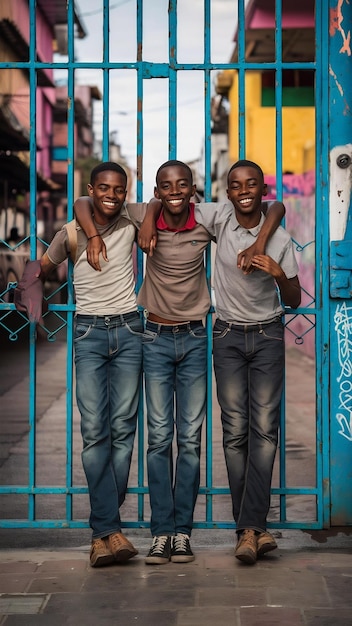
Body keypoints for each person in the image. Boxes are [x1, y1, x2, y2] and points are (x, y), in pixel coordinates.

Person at [74, 160, 286, 565]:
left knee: (189, 439)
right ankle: (161, 532)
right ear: (156, 190)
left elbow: (273, 207)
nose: (175, 191)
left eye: (182, 185)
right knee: (158, 438)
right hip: (152, 337)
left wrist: (259, 246)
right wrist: (146, 217)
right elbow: (86, 200)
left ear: (193, 189)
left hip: (193, 339)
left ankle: (183, 533)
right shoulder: (138, 214)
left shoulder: (209, 219)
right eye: (165, 186)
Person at [15, 162, 143, 568]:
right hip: (88, 334)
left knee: (123, 427)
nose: (112, 195)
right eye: (103, 188)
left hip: (129, 331)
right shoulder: (70, 232)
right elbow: (42, 266)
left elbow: (158, 205)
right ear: (92, 189)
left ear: (126, 192)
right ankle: (108, 529)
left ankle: (105, 527)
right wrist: (30, 284)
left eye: (119, 189)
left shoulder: (132, 222)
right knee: (94, 431)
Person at [195, 160, 301, 565]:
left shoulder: (280, 239)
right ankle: (251, 527)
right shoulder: (220, 219)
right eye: (236, 184)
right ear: (227, 191)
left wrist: (276, 272)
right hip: (227, 335)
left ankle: (250, 525)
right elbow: (172, 201)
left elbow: (293, 299)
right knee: (235, 430)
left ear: (261, 188)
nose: (243, 190)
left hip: (268, 335)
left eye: (251, 183)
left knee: (265, 431)